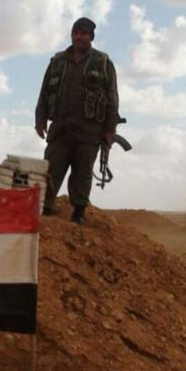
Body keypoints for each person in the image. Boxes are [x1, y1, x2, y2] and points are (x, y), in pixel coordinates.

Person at [34, 17, 121, 225]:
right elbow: (44, 91)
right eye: (75, 33)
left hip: (89, 129)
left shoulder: (102, 62)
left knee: (82, 172)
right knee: (51, 169)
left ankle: (79, 212)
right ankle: (45, 207)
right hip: (61, 127)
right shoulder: (58, 61)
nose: (78, 37)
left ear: (91, 37)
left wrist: (109, 130)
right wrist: (40, 119)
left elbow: (112, 98)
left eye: (83, 33)